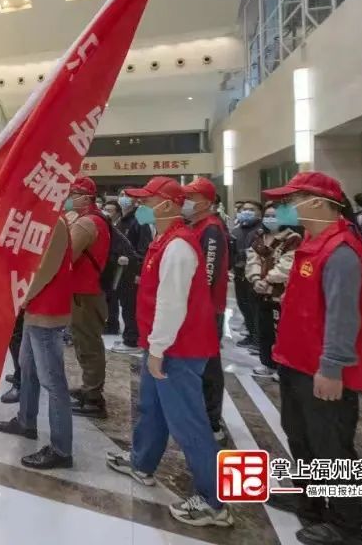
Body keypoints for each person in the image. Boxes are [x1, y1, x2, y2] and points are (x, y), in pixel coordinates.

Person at [106, 176, 232, 528]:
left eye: (147, 201)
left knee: (188, 422)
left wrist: (159, 348)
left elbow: (172, 304)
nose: (141, 207)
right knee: (153, 408)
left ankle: (214, 501)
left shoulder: (178, 246)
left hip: (179, 348)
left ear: (166, 205)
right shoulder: (163, 240)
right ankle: (142, 462)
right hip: (162, 344)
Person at [262, 172, 362, 545]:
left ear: (316, 202)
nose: (285, 208)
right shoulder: (313, 242)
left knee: (332, 447)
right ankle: (309, 500)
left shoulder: (341, 251)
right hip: (295, 360)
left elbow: (344, 316)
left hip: (321, 368)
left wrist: (332, 367)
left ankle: (346, 525)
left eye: (291, 200)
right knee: (300, 437)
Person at [0, 217, 76, 470]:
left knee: (52, 381)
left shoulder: (55, 223)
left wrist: (23, 295)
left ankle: (61, 449)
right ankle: (26, 421)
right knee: (27, 367)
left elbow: (46, 268)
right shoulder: (45, 219)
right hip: (36, 309)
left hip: (47, 310)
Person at [181, 178, 231, 444]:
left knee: (209, 364)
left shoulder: (211, 229)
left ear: (206, 202)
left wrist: (195, 307)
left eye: (190, 197)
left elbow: (207, 275)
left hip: (207, 309)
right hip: (198, 307)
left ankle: (212, 422)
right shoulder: (196, 226)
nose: (185, 202)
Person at [65, 177, 113, 419]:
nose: (69, 199)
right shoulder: (97, 218)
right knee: (86, 341)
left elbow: (65, 256)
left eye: (73, 194)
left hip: (85, 291)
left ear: (85, 197)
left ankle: (93, 397)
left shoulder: (86, 223)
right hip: (89, 289)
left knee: (88, 344)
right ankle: (89, 387)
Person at [245, 204, 303, 379]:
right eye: (267, 216)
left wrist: (268, 280)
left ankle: (282, 367)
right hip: (261, 291)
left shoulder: (292, 238)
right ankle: (268, 364)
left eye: (274, 216)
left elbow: (287, 265)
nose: (270, 219)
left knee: (281, 332)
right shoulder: (259, 237)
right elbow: (252, 259)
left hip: (280, 293)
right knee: (265, 330)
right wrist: (256, 279)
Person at [110, 190, 152, 355]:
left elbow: (144, 248)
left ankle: (133, 339)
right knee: (125, 306)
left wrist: (138, 272)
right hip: (121, 271)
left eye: (127, 195)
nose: (123, 198)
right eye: (121, 194)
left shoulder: (139, 220)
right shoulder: (121, 220)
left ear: (135, 200)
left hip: (132, 271)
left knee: (131, 306)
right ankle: (129, 335)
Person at [229, 200, 264, 349]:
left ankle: (259, 339)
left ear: (259, 213)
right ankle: (251, 334)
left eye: (251, 209)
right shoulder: (236, 231)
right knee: (244, 305)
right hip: (239, 274)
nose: (246, 212)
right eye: (244, 209)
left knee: (256, 308)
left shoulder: (261, 231)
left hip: (256, 276)